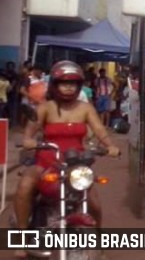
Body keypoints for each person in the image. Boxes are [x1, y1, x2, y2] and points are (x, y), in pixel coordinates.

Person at [13, 61, 119, 258]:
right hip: (47, 159)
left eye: (73, 83)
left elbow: (99, 130)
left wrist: (109, 146)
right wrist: (28, 140)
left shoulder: (86, 108)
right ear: (55, 85)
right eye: (64, 83)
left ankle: (98, 239)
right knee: (25, 186)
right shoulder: (46, 107)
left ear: (79, 86)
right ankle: (20, 236)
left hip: (76, 162)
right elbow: (29, 131)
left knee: (94, 202)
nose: (69, 87)